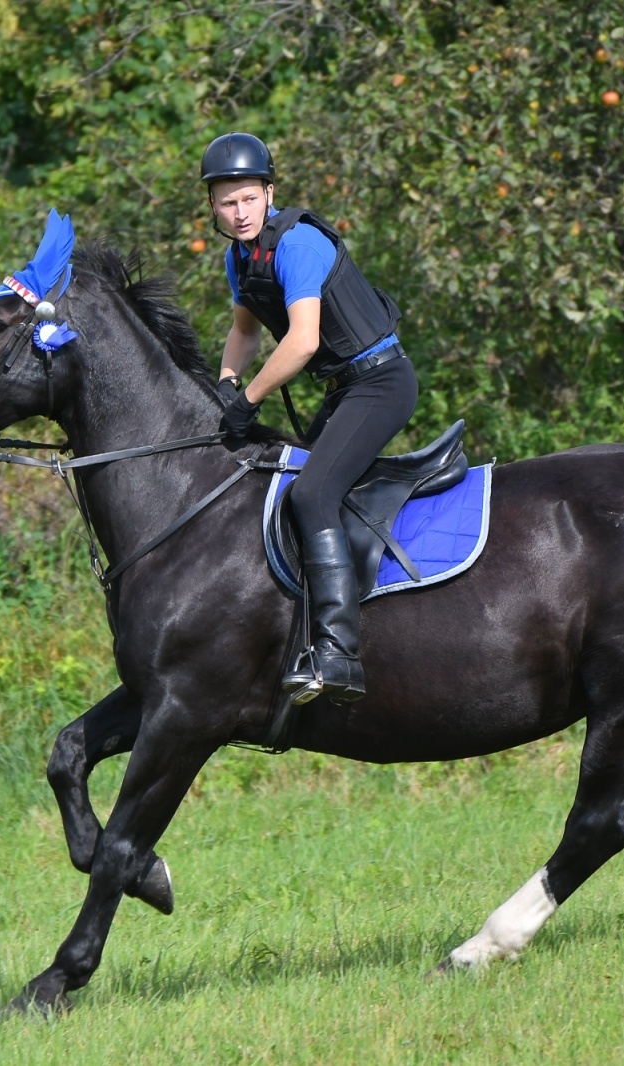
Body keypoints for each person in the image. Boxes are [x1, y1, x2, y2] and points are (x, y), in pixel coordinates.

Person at [203, 132, 418, 704]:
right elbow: (245, 331)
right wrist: (225, 384)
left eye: (249, 198)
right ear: (213, 209)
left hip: (381, 382)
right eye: (227, 202)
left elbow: (302, 342)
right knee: (276, 487)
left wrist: (248, 402)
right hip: (345, 389)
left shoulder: (297, 245)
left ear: (269, 193)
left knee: (311, 495)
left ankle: (339, 654)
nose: (240, 212)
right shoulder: (240, 257)